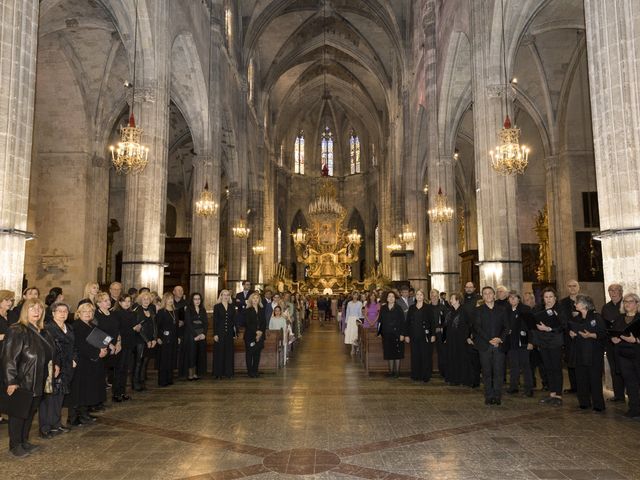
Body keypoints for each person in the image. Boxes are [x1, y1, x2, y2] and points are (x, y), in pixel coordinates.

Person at [2, 298, 54, 457]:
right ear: (26, 310)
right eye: (32, 309)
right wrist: (11, 381)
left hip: (38, 379)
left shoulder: (42, 330)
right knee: (18, 414)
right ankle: (15, 445)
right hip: (22, 379)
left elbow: (48, 353)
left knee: (30, 412)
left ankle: (24, 441)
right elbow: (9, 357)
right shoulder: (17, 330)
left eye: (39, 309)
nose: (37, 312)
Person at [68, 302, 108, 426]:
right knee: (79, 389)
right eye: (84, 312)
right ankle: (74, 418)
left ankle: (84, 413)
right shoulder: (77, 326)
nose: (87, 314)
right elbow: (81, 345)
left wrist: (104, 349)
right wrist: (98, 352)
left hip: (90, 362)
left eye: (90, 312)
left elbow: (100, 340)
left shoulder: (90, 325)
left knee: (87, 389)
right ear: (79, 313)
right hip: (82, 362)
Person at [39, 302, 75, 438]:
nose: (63, 313)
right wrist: (55, 364)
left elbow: (74, 346)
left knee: (59, 397)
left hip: (67, 367)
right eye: (59, 311)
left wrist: (75, 359)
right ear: (53, 313)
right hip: (53, 366)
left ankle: (56, 424)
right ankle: (45, 427)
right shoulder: (47, 328)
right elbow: (48, 349)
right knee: (48, 398)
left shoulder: (69, 328)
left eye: (65, 311)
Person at [570, 295, 606, 412]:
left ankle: (598, 404)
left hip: (593, 352)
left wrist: (590, 335)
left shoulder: (596, 317)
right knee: (581, 377)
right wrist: (572, 334)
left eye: (577, 302)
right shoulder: (576, 319)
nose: (575, 304)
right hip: (580, 351)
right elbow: (574, 331)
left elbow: (602, 334)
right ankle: (584, 402)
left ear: (585, 304)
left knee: (594, 378)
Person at [473, 287, 508, 405]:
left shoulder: (502, 310)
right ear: (482, 297)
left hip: (499, 345)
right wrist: (489, 339)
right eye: (485, 294)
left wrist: (500, 339)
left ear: (494, 295)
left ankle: (497, 396)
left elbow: (506, 327)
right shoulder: (478, 310)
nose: (487, 295)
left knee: (498, 372)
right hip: (484, 345)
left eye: (490, 293)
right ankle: (488, 395)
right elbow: (477, 328)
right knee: (487, 372)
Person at [533, 287, 565, 406]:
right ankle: (552, 394)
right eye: (546, 297)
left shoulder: (559, 310)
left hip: (555, 342)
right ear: (543, 299)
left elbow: (563, 326)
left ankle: (558, 395)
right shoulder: (539, 310)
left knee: (556, 368)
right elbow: (533, 324)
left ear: (555, 298)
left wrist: (549, 328)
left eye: (551, 297)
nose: (548, 299)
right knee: (548, 368)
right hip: (543, 342)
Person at [611, 293, 640, 419]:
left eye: (630, 301)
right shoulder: (619, 318)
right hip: (623, 355)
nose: (627, 304)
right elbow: (614, 333)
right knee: (630, 383)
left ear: (637, 303)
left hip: (638, 354)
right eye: (625, 302)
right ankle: (634, 409)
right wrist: (613, 339)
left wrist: (636, 340)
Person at [505, 291, 534, 397]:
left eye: (515, 297)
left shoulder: (525, 309)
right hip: (511, 342)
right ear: (508, 300)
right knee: (513, 366)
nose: (512, 299)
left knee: (525, 366)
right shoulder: (506, 310)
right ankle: (513, 387)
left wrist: (531, 342)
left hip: (524, 341)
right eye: (510, 298)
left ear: (519, 299)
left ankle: (529, 389)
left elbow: (531, 327)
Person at [405, 289, 436, 382]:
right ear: (415, 296)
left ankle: (425, 375)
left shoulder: (428, 308)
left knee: (425, 355)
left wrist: (433, 335)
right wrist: (406, 335)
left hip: (425, 335)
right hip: (414, 335)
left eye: (421, 295)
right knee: (415, 355)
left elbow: (432, 322)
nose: (419, 296)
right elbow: (407, 323)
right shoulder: (411, 308)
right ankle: (416, 375)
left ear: (423, 296)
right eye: (417, 294)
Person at [601, 284, 625, 402]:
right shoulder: (606, 307)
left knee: (626, 369)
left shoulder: (627, 304)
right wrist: (610, 338)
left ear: (620, 291)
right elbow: (603, 326)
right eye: (610, 290)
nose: (612, 292)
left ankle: (632, 395)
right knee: (614, 369)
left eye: (615, 290)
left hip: (625, 343)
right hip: (610, 343)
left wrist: (621, 337)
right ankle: (619, 395)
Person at [444, 293, 473, 387]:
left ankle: (463, 378)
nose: (450, 300)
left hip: (462, 339)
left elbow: (470, 325)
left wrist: (468, 337)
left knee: (462, 358)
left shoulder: (464, 311)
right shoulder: (449, 311)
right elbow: (446, 326)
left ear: (457, 300)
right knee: (452, 358)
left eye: (452, 298)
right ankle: (453, 378)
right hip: (451, 339)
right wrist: (444, 338)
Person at [94, 292, 121, 392]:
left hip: (116, 346)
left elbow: (118, 329)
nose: (108, 302)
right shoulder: (96, 315)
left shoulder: (113, 314)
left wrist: (118, 342)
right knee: (101, 372)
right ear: (98, 303)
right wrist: (109, 344)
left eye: (108, 300)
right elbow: (97, 332)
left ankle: (116, 393)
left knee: (115, 371)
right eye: (105, 301)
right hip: (103, 347)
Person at [111, 295, 136, 402]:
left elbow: (132, 328)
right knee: (119, 369)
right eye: (124, 301)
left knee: (125, 369)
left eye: (129, 301)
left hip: (129, 344)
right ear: (119, 302)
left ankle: (122, 392)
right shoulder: (116, 314)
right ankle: (116, 394)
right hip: (120, 344)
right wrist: (132, 328)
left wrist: (136, 328)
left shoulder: (132, 313)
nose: (127, 303)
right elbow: (117, 330)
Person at [131, 291, 157, 391]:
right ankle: (135, 383)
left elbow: (155, 326)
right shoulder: (137, 310)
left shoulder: (151, 310)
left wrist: (154, 339)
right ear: (140, 300)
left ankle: (142, 382)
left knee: (145, 361)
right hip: (140, 340)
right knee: (138, 362)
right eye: (144, 299)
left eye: (148, 299)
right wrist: (147, 341)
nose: (146, 301)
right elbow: (138, 328)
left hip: (150, 339)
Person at [559, 279, 581, 393]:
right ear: (567, 288)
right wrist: (569, 331)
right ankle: (574, 387)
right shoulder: (562, 302)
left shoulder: (584, 300)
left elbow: (589, 316)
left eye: (574, 286)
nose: (572, 288)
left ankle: (584, 386)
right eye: (570, 286)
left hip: (583, 335)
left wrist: (579, 330)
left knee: (582, 361)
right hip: (568, 336)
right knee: (570, 361)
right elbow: (562, 319)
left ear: (578, 287)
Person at [377, 291, 405, 378]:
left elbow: (402, 322)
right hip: (387, 334)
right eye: (389, 296)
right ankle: (390, 372)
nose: (391, 298)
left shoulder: (399, 308)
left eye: (393, 296)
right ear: (387, 298)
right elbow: (380, 321)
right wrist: (379, 332)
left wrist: (402, 334)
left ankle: (397, 372)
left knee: (397, 353)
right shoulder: (383, 308)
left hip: (397, 334)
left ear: (395, 298)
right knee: (389, 353)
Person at [212, 290, 236, 379]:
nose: (226, 296)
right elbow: (215, 321)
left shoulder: (232, 307)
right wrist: (215, 334)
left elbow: (234, 321)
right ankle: (218, 373)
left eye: (227, 295)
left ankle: (228, 373)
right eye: (224, 295)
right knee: (219, 352)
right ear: (221, 296)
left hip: (229, 333)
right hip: (220, 332)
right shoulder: (217, 307)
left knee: (229, 353)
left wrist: (234, 332)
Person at [184, 292, 208, 379]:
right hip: (191, 335)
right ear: (192, 300)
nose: (197, 301)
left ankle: (196, 373)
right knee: (192, 353)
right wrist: (195, 335)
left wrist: (204, 334)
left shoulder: (203, 309)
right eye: (195, 299)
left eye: (198, 299)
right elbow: (188, 323)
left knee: (199, 353)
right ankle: (191, 373)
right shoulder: (188, 309)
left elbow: (205, 323)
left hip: (201, 335)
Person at [155, 292, 177, 387]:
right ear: (165, 300)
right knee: (164, 359)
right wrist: (158, 337)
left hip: (173, 338)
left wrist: (179, 337)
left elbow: (177, 326)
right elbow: (157, 326)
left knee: (171, 358)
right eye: (168, 298)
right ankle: (162, 380)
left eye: (172, 298)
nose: (170, 300)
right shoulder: (161, 312)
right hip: (163, 338)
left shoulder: (175, 311)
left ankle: (169, 378)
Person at [462, 282, 481, 387]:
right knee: (466, 358)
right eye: (467, 287)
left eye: (471, 287)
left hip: (475, 332)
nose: (469, 289)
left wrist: (471, 334)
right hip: (463, 332)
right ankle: (467, 378)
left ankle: (475, 380)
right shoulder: (462, 299)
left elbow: (479, 318)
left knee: (475, 359)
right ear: (465, 288)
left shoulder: (479, 299)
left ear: (474, 288)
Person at [243, 293, 265, 378]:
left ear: (259, 300)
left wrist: (260, 332)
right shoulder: (247, 310)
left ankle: (255, 371)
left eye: (257, 298)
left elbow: (264, 322)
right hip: (250, 335)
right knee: (250, 354)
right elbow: (248, 323)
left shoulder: (262, 309)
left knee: (257, 354)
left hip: (260, 335)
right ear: (250, 300)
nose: (255, 300)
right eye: (253, 298)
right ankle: (250, 372)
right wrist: (256, 332)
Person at [0, 290, 13, 425]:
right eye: (7, 300)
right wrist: (6, 336)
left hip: (5, 354)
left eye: (11, 301)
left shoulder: (8, 316)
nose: (10, 303)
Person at [428, 289, 447, 379]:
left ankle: (443, 371)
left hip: (440, 334)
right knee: (428, 353)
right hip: (430, 334)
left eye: (435, 296)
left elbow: (446, 320)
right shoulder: (427, 308)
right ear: (430, 297)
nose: (433, 297)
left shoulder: (443, 307)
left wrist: (441, 327)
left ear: (438, 296)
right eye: (432, 296)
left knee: (442, 353)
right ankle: (428, 371)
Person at [344, 291, 363, 355]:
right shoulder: (349, 303)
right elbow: (347, 312)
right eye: (354, 295)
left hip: (356, 319)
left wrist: (360, 321)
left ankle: (357, 347)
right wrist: (346, 322)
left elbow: (360, 313)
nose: (355, 296)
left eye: (356, 295)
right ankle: (352, 349)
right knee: (351, 334)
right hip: (350, 320)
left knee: (356, 334)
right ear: (352, 296)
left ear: (358, 296)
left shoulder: (360, 303)